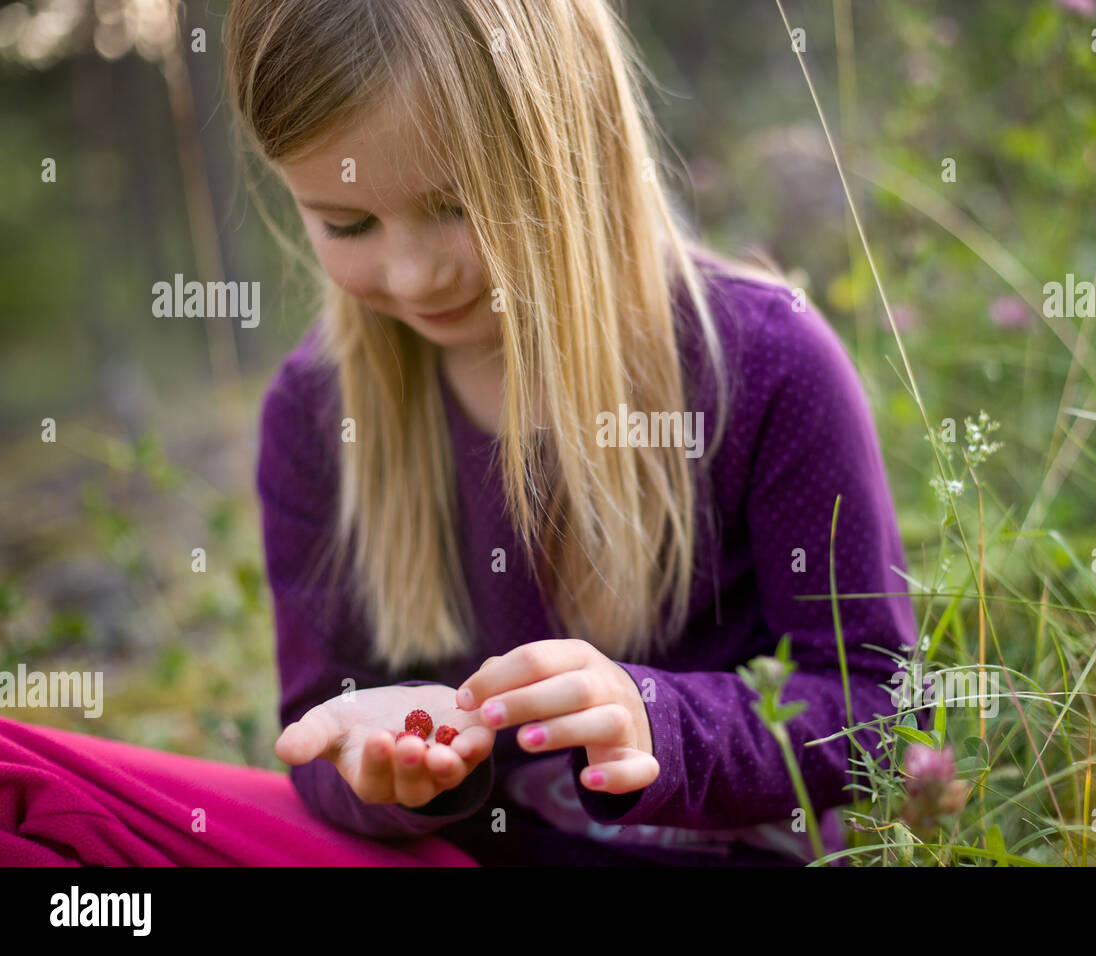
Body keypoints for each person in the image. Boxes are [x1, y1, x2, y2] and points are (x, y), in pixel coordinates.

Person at [0, 0, 916, 868]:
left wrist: (656, 721)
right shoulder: (319, 417)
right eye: (348, 222)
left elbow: (876, 704)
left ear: (577, 137)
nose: (414, 273)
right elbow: (320, 726)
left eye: (459, 206)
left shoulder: (765, 364)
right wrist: (397, 774)